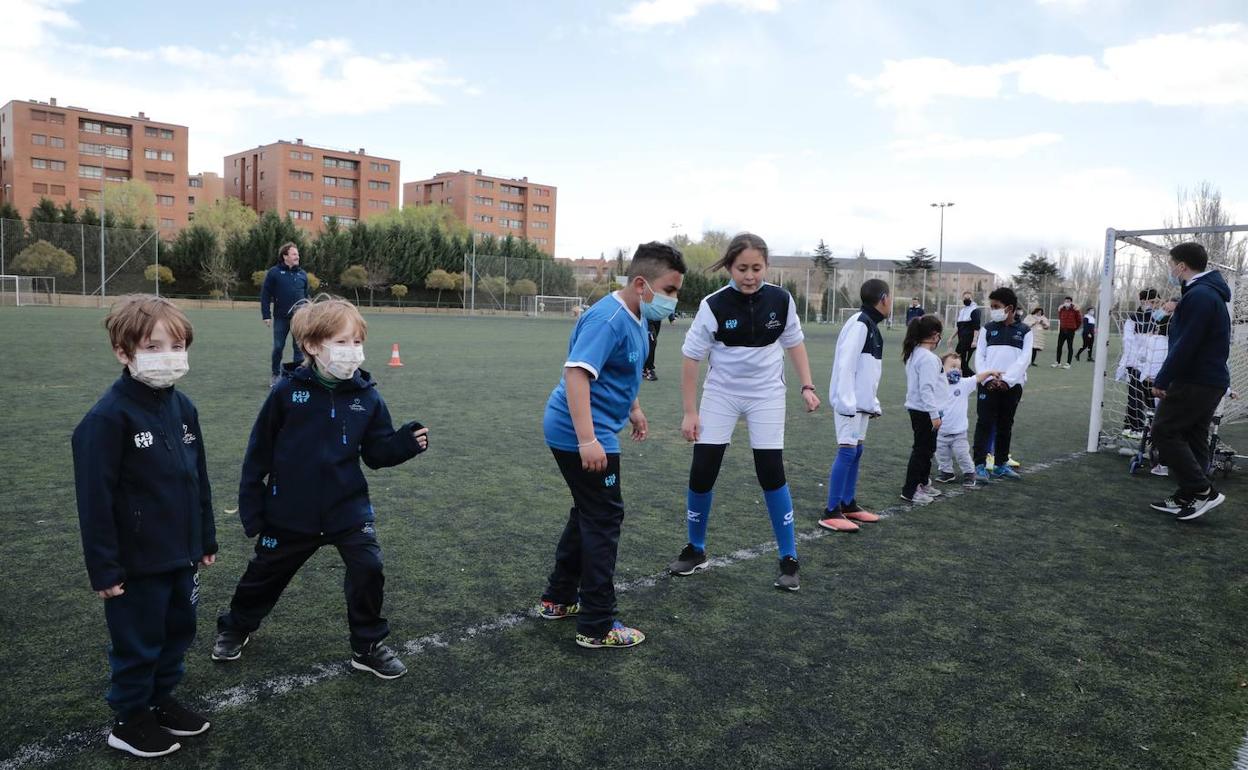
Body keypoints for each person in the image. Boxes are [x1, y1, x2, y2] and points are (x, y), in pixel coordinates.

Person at [213, 297, 430, 678]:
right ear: (312, 346)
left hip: (347, 509)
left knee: (369, 567)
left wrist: (405, 444)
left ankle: (367, 645)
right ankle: (236, 627)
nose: (353, 352)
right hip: (290, 512)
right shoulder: (286, 393)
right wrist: (253, 508)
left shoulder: (367, 396)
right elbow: (257, 454)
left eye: (357, 342)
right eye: (342, 342)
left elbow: (376, 454)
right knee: (264, 576)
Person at [72, 295, 217, 758]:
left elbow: (199, 480)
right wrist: (105, 569)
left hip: (182, 553)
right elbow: (94, 503)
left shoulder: (183, 407)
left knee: (178, 631)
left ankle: (160, 698)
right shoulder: (106, 420)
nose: (168, 357)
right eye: (153, 347)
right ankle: (129, 717)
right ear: (123, 351)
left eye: (176, 345)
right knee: (139, 640)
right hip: (136, 563)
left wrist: (205, 537)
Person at [538, 241, 686, 648]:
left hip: (593, 427)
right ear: (642, 284)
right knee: (604, 518)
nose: (673, 300)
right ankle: (597, 624)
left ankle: (558, 598)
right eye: (670, 290)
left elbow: (620, 372)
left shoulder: (637, 314)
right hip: (579, 431)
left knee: (589, 511)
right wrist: (588, 439)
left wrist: (634, 409)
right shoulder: (608, 319)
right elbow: (576, 376)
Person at [666, 233, 821, 591]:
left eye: (756, 268)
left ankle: (788, 556)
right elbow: (691, 358)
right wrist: (690, 412)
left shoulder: (781, 300)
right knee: (703, 470)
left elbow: (794, 342)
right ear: (729, 267)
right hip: (721, 395)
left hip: (766, 395)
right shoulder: (713, 304)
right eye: (742, 268)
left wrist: (807, 386)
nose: (750, 275)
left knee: (771, 472)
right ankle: (696, 549)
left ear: (766, 266)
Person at [1148, 242, 1231, 521]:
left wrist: (1164, 378)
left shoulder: (1201, 296)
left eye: (1172, 264)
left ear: (1182, 266)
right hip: (1207, 379)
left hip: (1197, 379)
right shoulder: (1204, 294)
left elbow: (1187, 343)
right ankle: (1188, 494)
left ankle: (1202, 491)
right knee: (1194, 436)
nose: (1171, 269)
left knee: (1164, 430)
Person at [820, 278, 891, 532]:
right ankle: (831, 510)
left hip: (860, 404)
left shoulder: (872, 325)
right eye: (890, 297)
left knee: (857, 451)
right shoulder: (860, 323)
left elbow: (869, 372)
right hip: (848, 403)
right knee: (847, 451)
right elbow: (846, 365)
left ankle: (848, 504)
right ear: (883, 298)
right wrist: (846, 401)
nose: (890, 302)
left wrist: (873, 403)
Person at [973, 287, 1032, 481]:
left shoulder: (1025, 331)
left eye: (996, 306)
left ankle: (1000, 464)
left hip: (1012, 386)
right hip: (987, 385)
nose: (993, 310)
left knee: (1005, 425)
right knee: (984, 423)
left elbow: (1025, 359)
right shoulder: (987, 329)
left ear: (1010, 308)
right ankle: (980, 465)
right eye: (991, 306)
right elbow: (980, 356)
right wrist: (988, 379)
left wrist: (1007, 381)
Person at [933, 353, 1002, 488]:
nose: (956, 370)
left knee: (962, 454)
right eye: (952, 366)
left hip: (959, 432)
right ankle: (946, 472)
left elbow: (976, 378)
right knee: (941, 455)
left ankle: (970, 473)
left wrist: (990, 372)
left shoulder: (963, 384)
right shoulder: (937, 385)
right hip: (940, 431)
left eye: (958, 368)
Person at [901, 315, 946, 504]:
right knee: (921, 450)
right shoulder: (927, 358)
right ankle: (910, 490)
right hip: (925, 411)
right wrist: (934, 415)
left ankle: (923, 482)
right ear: (935, 336)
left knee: (928, 449)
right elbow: (926, 389)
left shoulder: (916, 353)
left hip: (921, 410)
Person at [260, 242, 310, 387]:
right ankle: (275, 374)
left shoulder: (302, 274)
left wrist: (309, 313)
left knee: (299, 349)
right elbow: (265, 295)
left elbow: (307, 296)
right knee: (278, 347)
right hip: (281, 318)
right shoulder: (274, 272)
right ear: (285, 256)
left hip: (299, 319)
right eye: (294, 254)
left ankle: (297, 376)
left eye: (298, 254)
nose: (297, 257)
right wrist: (266, 315)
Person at [1117, 289, 1160, 438]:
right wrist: (1132, 361)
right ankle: (1136, 428)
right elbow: (1128, 341)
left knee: (1146, 395)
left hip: (1151, 364)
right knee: (1135, 393)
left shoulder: (1159, 318)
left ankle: (1128, 426)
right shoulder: (1133, 318)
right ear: (1144, 302)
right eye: (1153, 302)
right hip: (1135, 362)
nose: (1156, 305)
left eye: (1157, 302)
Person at [641, 311, 676, 381]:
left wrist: (671, 317)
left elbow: (667, 302)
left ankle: (644, 369)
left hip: (657, 320)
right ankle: (649, 369)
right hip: (646, 319)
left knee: (649, 342)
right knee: (652, 342)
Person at [954, 291, 979, 377]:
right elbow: (959, 327)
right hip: (961, 339)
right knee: (961, 360)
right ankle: (968, 378)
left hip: (969, 340)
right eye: (965, 298)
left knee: (961, 360)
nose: (966, 299)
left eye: (968, 298)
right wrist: (951, 338)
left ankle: (976, 379)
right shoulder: (962, 311)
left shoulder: (975, 310)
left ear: (972, 299)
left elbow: (976, 327)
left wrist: (974, 340)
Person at [1052, 296, 1081, 368]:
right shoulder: (1062, 309)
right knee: (1059, 346)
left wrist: (1074, 328)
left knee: (1069, 347)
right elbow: (1060, 318)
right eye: (1066, 301)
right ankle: (1058, 362)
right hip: (1062, 330)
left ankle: (1068, 363)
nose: (1067, 302)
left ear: (1071, 302)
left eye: (1068, 301)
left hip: (1070, 330)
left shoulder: (1075, 310)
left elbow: (1079, 321)